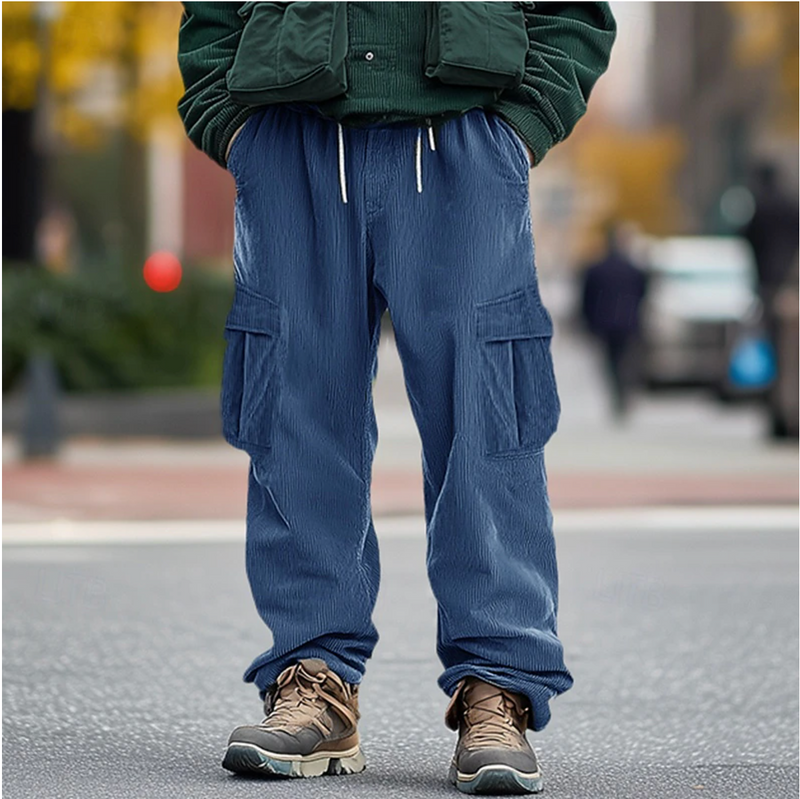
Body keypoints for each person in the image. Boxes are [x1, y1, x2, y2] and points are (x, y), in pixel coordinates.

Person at [177, 2, 615, 794]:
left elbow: (575, 12)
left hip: (465, 143)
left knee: (487, 420)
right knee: (294, 417)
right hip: (290, 144)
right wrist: (235, 130)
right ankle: (314, 676)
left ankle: (498, 684)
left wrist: (520, 127)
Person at [580, 223, 648, 418]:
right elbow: (643, 294)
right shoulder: (634, 269)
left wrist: (586, 322)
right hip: (628, 323)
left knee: (610, 362)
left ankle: (618, 395)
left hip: (604, 324)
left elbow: (586, 298)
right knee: (625, 361)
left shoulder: (595, 269)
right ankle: (624, 394)